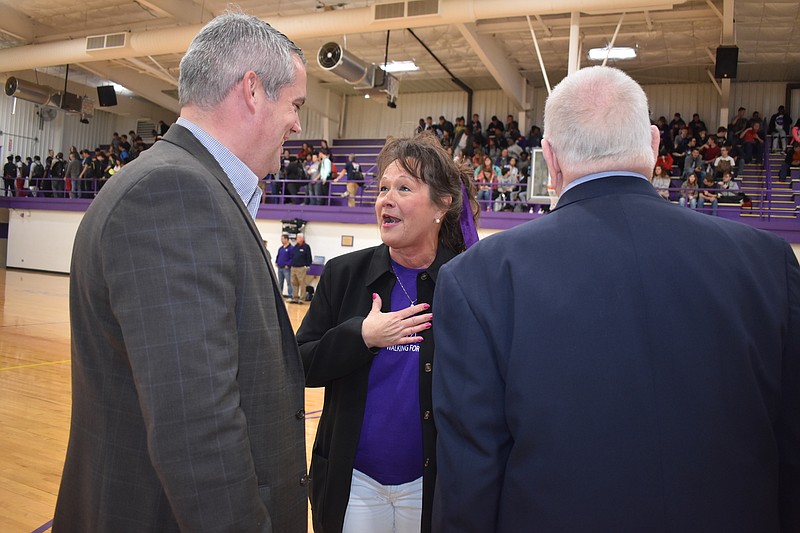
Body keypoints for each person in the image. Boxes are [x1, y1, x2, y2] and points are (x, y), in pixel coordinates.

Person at [432, 66, 800, 532]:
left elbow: (471, 479)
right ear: (653, 143)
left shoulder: (477, 277)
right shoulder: (768, 264)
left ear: (550, 158)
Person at [52, 11, 309, 532]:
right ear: (254, 90)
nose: (298, 124)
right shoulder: (174, 194)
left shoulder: (184, 186)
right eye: (295, 104)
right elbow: (197, 433)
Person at [297, 133, 479, 533]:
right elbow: (301, 364)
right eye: (382, 188)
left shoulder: (467, 283)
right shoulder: (344, 275)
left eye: (403, 188)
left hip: (431, 486)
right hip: (355, 482)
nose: (386, 199)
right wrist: (360, 336)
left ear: (443, 204)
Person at [290, 232, 312, 304]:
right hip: (294, 267)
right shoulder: (295, 246)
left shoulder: (306, 247)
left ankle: (302, 299)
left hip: (301, 267)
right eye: (297, 237)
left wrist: (308, 265)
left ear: (302, 238)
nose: (297, 239)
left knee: (302, 283)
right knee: (294, 283)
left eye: (298, 238)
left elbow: (309, 257)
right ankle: (295, 298)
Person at [276, 233, 295, 299]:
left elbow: (292, 258)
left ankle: (290, 296)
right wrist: (276, 262)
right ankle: (279, 296)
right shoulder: (280, 248)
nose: (281, 240)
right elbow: (278, 256)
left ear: (286, 239)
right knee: (280, 282)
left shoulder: (291, 248)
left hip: (286, 268)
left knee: (289, 283)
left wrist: (288, 264)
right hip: (279, 268)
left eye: (282, 239)